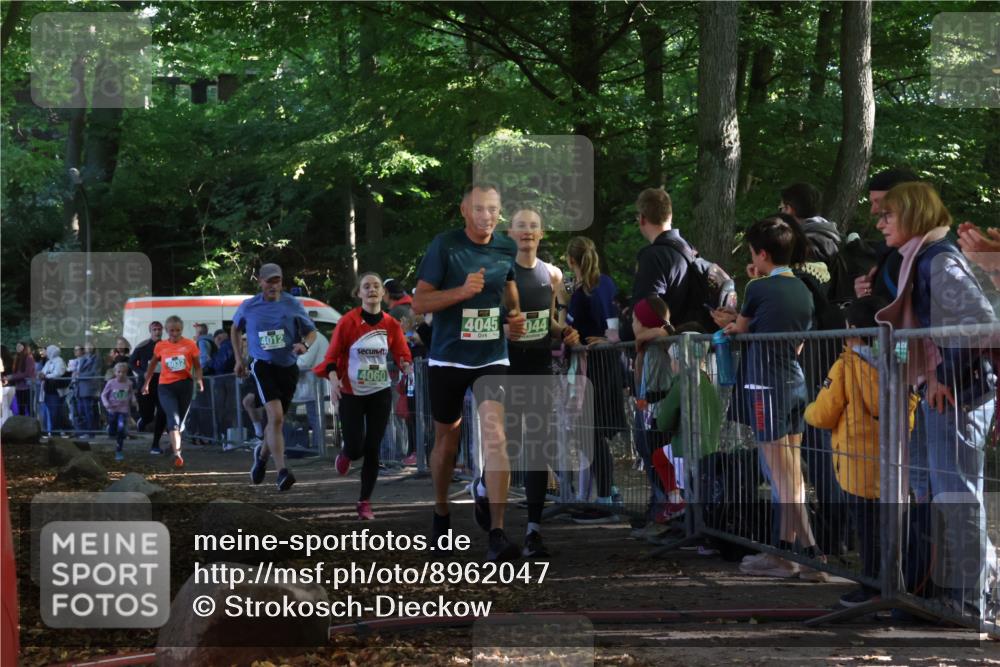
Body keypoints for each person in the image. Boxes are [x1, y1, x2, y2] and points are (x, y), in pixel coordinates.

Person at [874, 182, 998, 621]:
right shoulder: (922, 260)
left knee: (957, 497)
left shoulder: (939, 261)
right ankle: (945, 592)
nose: (880, 222)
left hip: (959, 395)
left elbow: (982, 325)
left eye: (888, 214)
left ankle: (969, 600)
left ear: (912, 214)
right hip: (941, 393)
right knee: (935, 493)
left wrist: (943, 376)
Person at [412, 183, 527, 561]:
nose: (487, 216)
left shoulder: (506, 247)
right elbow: (420, 301)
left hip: (492, 355)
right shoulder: (445, 245)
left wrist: (514, 318)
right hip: (447, 357)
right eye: (479, 209)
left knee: (496, 437)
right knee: (447, 441)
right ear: (464, 211)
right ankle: (441, 511)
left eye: (493, 209)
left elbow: (509, 290)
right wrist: (461, 292)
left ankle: (496, 531)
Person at [723, 216, 825, 579]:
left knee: (781, 475)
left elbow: (742, 328)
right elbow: (797, 341)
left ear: (762, 254)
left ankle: (811, 553)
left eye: (753, 253)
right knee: (791, 470)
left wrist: (733, 325)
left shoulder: (757, 287)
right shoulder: (804, 288)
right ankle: (784, 552)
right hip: (794, 382)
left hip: (765, 385)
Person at [804, 296, 920, 607]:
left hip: (857, 465)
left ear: (852, 330)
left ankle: (870, 589)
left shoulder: (846, 366)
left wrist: (808, 411)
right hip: (893, 461)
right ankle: (895, 586)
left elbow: (824, 414)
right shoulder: (900, 362)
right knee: (892, 530)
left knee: (867, 532)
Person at [505, 207, 579, 556]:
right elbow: (489, 318)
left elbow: (549, 318)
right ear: (510, 233)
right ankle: (486, 500)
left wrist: (563, 330)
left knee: (536, 447)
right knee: (506, 447)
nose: (527, 232)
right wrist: (503, 329)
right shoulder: (501, 272)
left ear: (542, 233)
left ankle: (533, 530)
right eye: (521, 227)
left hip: (537, 368)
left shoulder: (551, 275)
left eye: (533, 227)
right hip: (504, 370)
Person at [315, 272, 412, 519]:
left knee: (373, 448)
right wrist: (334, 380)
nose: (371, 290)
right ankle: (347, 454)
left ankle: (364, 501)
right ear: (358, 293)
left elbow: (402, 353)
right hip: (352, 392)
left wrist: (408, 367)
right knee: (357, 447)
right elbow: (332, 357)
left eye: (376, 286)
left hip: (379, 392)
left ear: (382, 293)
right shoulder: (348, 322)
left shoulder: (390, 323)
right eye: (366, 286)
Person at [232, 263, 318, 491]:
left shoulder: (292, 303)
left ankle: (260, 458)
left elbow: (312, 331)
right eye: (269, 281)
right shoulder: (249, 306)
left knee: (275, 422)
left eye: (277, 280)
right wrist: (240, 359)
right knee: (276, 416)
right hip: (263, 366)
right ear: (260, 281)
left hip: (288, 367)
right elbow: (235, 329)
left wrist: (304, 344)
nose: (273, 285)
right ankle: (282, 471)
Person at [565, 236, 627, 523]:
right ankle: (608, 491)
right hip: (611, 363)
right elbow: (614, 328)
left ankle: (604, 498)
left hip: (594, 367)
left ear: (571, 261)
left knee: (590, 431)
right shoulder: (608, 284)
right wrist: (607, 339)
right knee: (595, 431)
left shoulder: (580, 294)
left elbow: (570, 329)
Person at [630, 296, 679, 525]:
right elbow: (640, 382)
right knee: (645, 450)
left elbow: (666, 333)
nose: (632, 325)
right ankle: (661, 504)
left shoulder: (661, 341)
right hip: (647, 409)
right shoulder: (647, 348)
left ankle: (668, 506)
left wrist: (646, 335)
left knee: (658, 457)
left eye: (634, 320)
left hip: (660, 411)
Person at [627, 188, 696, 337]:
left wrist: (620, 335)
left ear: (642, 219)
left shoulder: (652, 257)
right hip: (693, 342)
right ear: (669, 216)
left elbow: (644, 308)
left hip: (664, 348)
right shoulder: (689, 250)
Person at [142, 315, 202, 467]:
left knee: (180, 423)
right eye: (171, 330)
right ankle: (178, 454)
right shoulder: (160, 346)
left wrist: (199, 380)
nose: (174, 333)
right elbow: (152, 365)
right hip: (166, 386)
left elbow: (197, 365)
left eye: (178, 330)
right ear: (166, 330)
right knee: (173, 420)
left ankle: (173, 446)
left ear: (181, 330)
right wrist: (146, 383)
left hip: (185, 385)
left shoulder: (190, 344)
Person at [853, 168, 920, 302]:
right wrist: (868, 298)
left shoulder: (935, 256)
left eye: (878, 201)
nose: (873, 210)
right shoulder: (895, 250)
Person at [779, 182, 841, 270]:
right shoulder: (828, 235)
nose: (780, 213)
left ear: (789, 209)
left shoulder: (802, 244)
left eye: (781, 208)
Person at [130, 321, 168, 454]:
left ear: (162, 331)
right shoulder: (143, 346)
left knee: (162, 413)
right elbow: (132, 362)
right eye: (154, 329)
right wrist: (142, 372)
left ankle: (155, 445)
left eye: (159, 329)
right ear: (150, 331)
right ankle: (143, 420)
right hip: (146, 385)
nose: (157, 332)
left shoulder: (167, 346)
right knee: (148, 416)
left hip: (163, 385)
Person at [294, 328, 329, 450]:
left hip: (314, 385)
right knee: (315, 417)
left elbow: (303, 363)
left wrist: (289, 361)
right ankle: (317, 445)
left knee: (315, 417)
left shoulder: (314, 339)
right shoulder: (318, 337)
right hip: (315, 385)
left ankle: (317, 446)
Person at [102, 362, 139, 461]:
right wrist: (106, 403)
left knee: (121, 428)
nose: (121, 374)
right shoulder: (111, 383)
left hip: (124, 409)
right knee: (113, 430)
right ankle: (110, 429)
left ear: (126, 373)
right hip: (112, 409)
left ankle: (119, 450)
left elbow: (130, 393)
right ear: (115, 372)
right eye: (119, 372)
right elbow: (103, 395)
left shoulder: (129, 383)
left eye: (123, 372)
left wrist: (134, 399)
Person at [37, 345, 68, 434]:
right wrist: (41, 375)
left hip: (56, 391)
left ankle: (56, 432)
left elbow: (58, 373)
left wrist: (46, 376)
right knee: (54, 412)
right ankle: (55, 431)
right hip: (48, 390)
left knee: (56, 412)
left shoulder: (59, 361)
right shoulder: (49, 362)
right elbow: (43, 372)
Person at [74, 343, 103, 438]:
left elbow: (94, 372)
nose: (88, 347)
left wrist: (79, 375)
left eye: (90, 345)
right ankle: (83, 431)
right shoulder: (84, 358)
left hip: (89, 388)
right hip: (80, 388)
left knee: (89, 411)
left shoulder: (97, 358)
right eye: (87, 345)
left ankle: (90, 432)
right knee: (82, 411)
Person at [7, 342, 36, 417]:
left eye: (20, 346)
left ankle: (32, 425)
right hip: (19, 387)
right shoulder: (17, 358)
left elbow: (27, 373)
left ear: (24, 347)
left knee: (29, 408)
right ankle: (22, 425)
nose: (17, 347)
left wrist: (12, 377)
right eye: (17, 346)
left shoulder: (29, 357)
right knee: (21, 408)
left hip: (27, 387)